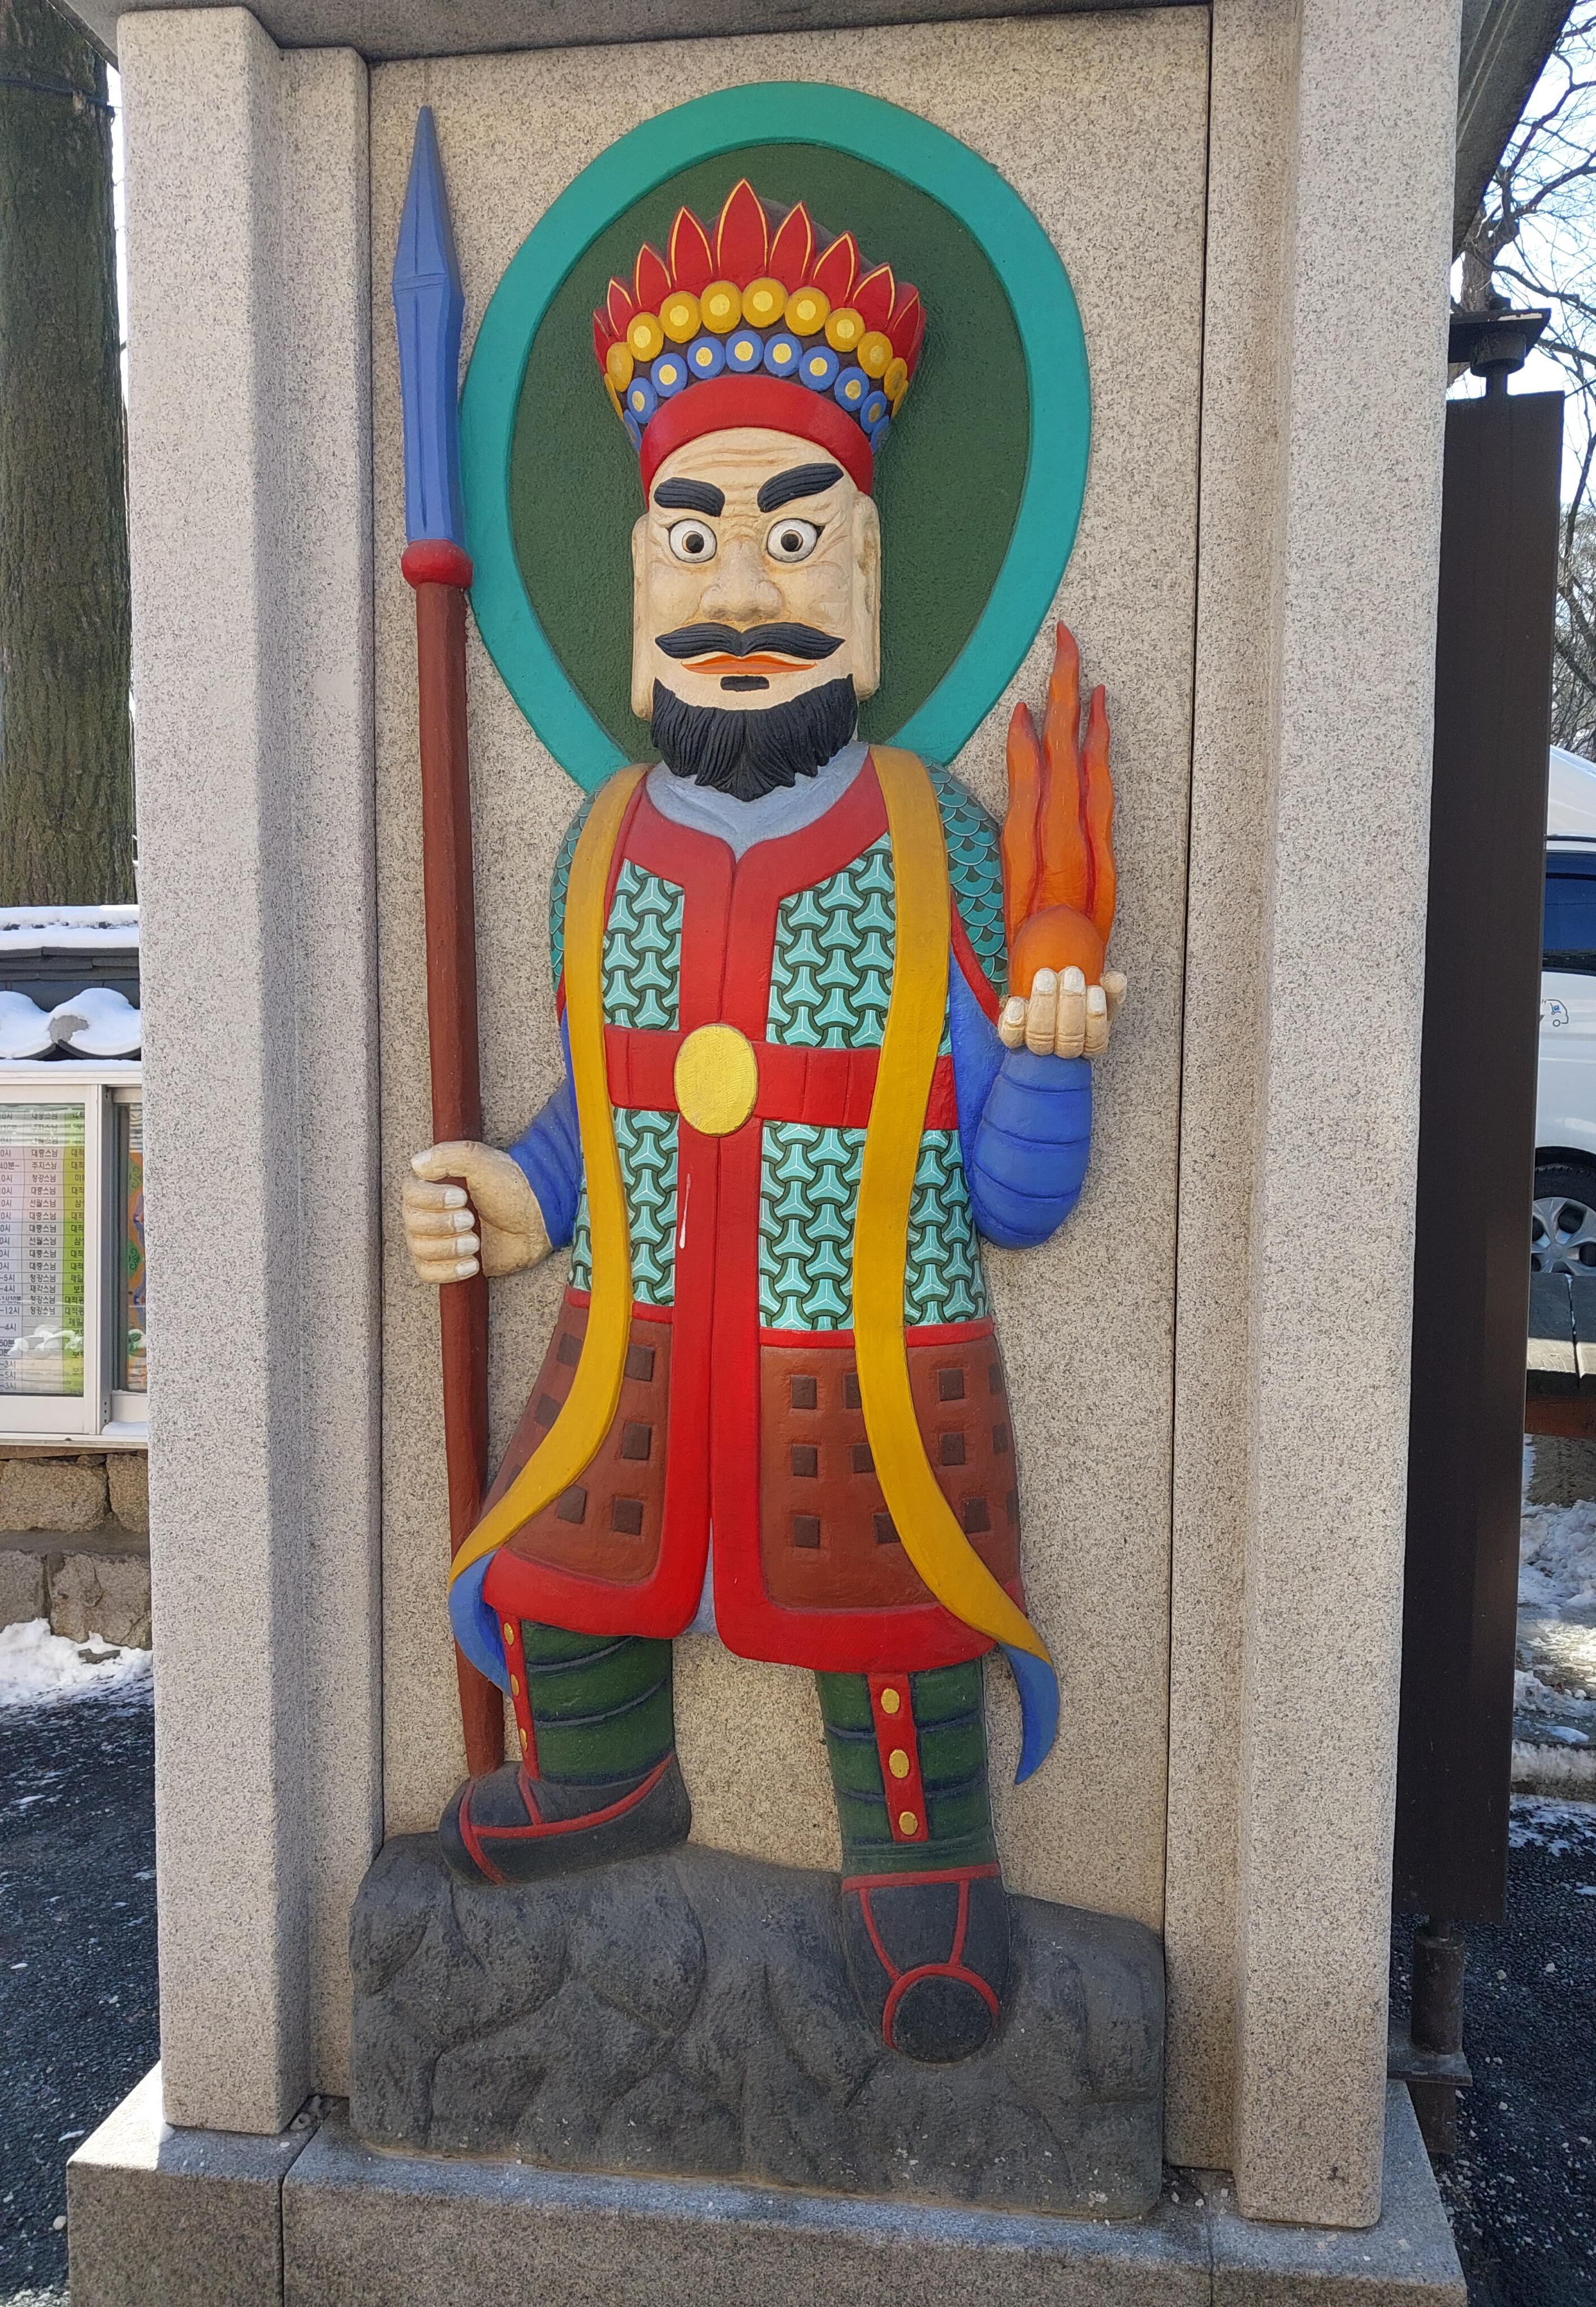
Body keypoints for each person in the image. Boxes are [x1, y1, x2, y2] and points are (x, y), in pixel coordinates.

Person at [401, 181, 1123, 2063]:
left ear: (865, 577)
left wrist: (1047, 1057)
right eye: (694, 540)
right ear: (638, 582)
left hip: (858, 1332)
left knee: (885, 1595)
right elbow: (596, 1112)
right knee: (570, 1541)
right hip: (637, 1329)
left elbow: (1014, 1196)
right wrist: (509, 1196)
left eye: (792, 539)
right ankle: (601, 1772)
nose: (739, 593)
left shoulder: (923, 834)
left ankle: (921, 1861)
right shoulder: (599, 846)